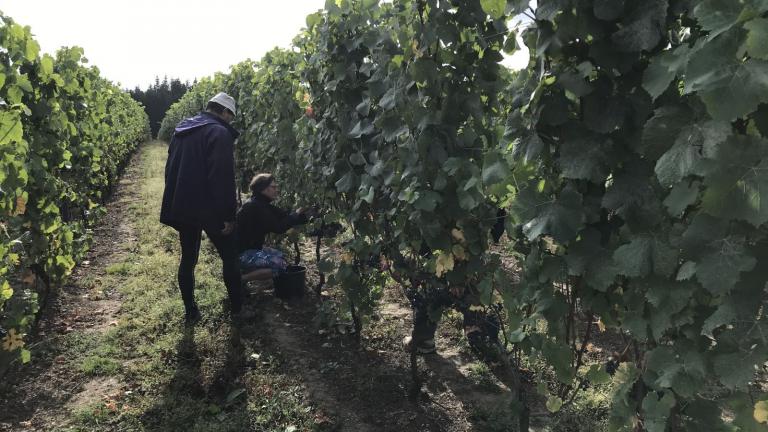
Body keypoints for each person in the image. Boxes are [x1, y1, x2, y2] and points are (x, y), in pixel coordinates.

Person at [160, 92, 243, 323]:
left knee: (188, 258)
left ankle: (191, 312)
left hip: (184, 204)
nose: (230, 121)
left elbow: (170, 168)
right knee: (230, 256)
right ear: (224, 112)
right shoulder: (219, 132)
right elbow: (222, 177)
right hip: (210, 207)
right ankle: (237, 311)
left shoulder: (182, 129)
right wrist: (228, 215)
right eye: (231, 116)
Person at [236, 173, 309, 282]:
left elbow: (283, 215)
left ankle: (246, 274)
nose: (276, 190)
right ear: (263, 189)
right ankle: (239, 280)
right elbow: (279, 228)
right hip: (241, 254)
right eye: (273, 187)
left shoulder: (260, 203)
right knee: (280, 265)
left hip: (250, 248)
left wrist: (305, 216)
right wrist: (296, 214)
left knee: (280, 255)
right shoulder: (256, 207)